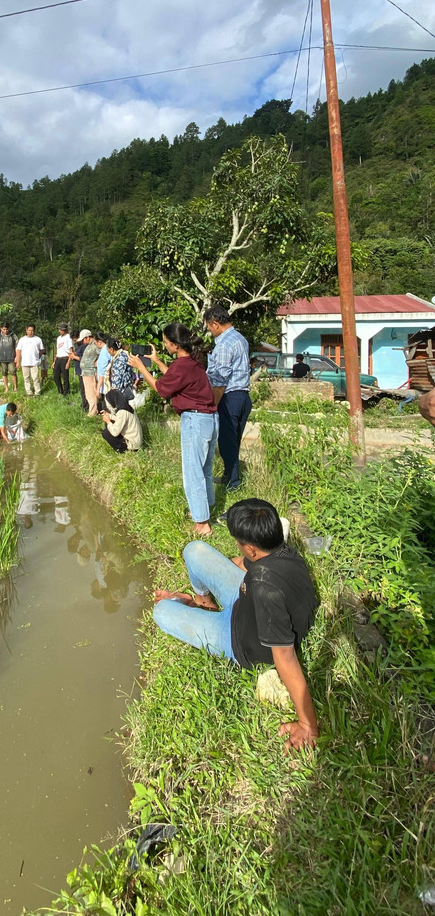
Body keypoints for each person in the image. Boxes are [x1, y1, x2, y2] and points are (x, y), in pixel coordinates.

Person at [153, 498, 319, 751]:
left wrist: (308, 725)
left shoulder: (267, 591)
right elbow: (243, 564)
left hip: (238, 639)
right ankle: (202, 600)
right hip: (244, 601)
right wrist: (217, 569)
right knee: (194, 550)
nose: (238, 547)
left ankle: (188, 605)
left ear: (251, 548)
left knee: (161, 612)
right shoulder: (281, 550)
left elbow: (285, 656)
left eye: (239, 543)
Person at [130, 323, 217, 538]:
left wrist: (141, 367)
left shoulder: (182, 365)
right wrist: (157, 361)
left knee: (192, 472)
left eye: (166, 343)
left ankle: (202, 524)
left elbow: (161, 389)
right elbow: (174, 380)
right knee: (204, 469)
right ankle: (205, 509)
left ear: (175, 345)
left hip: (195, 420)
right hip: (209, 419)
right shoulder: (192, 362)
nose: (163, 345)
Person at [204, 305, 252, 493]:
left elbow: (221, 378)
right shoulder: (240, 338)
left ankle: (233, 482)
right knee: (234, 440)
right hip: (243, 396)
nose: (209, 330)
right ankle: (228, 475)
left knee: (226, 442)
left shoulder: (223, 344)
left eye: (209, 326)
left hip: (229, 396)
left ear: (215, 323)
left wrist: (213, 403)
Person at [99, 389, 143, 453]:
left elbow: (115, 432)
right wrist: (109, 416)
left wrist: (108, 421)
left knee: (106, 433)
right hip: (136, 442)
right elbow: (120, 419)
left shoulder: (122, 412)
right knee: (110, 424)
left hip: (133, 446)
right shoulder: (127, 407)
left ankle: (123, 450)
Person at [15, 324, 44, 396]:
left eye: (32, 330)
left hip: (34, 362)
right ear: (26, 330)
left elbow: (41, 350)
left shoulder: (38, 339)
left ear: (34, 331)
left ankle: (37, 392)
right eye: (29, 330)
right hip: (25, 362)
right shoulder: (22, 340)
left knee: (35, 378)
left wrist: (37, 357)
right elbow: (18, 350)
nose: (31, 332)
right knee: (26, 378)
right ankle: (29, 392)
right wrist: (18, 362)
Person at [78, 330, 100, 416]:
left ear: (87, 337)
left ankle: (93, 411)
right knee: (88, 393)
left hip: (90, 372)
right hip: (86, 372)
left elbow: (101, 355)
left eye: (83, 339)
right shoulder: (88, 346)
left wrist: (96, 363)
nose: (83, 341)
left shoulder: (95, 345)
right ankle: (93, 410)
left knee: (91, 393)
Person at [0, 322, 18, 394]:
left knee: (13, 372)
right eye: (4, 329)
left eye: (7, 329)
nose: (5, 331)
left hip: (11, 358)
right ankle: (6, 388)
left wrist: (17, 357)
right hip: (2, 358)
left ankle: (15, 388)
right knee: (4, 373)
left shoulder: (13, 336)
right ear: (1, 329)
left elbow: (17, 347)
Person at [70, 330, 89, 411]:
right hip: (79, 370)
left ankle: (86, 405)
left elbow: (85, 359)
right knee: (82, 388)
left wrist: (74, 357)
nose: (75, 341)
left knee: (84, 389)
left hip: (83, 370)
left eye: (75, 339)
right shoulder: (78, 345)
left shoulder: (84, 346)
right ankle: (84, 403)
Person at [53, 322, 73, 396]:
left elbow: (71, 351)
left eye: (61, 329)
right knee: (56, 376)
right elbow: (57, 351)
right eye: (59, 329)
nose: (60, 331)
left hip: (65, 358)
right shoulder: (58, 338)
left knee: (65, 377)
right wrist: (54, 361)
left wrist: (68, 362)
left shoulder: (68, 338)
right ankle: (60, 390)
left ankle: (66, 392)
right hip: (58, 358)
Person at [94, 332, 110, 403]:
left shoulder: (104, 351)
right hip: (107, 383)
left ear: (99, 342)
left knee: (106, 406)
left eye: (95, 342)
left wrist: (98, 389)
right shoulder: (107, 349)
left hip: (105, 384)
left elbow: (102, 372)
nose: (95, 344)